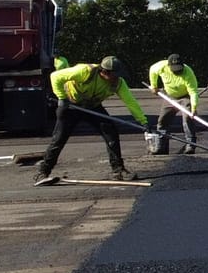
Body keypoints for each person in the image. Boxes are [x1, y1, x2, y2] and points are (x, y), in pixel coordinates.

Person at [35, 56, 148, 185]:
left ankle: (118, 170)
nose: (116, 78)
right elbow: (55, 76)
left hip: (92, 107)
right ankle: (43, 173)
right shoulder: (85, 71)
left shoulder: (119, 83)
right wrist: (62, 97)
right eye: (114, 75)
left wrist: (143, 121)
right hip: (71, 106)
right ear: (104, 72)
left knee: (111, 132)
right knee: (59, 139)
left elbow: (131, 102)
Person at [146, 53, 204, 154]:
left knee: (187, 117)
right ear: (169, 66)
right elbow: (152, 70)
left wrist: (194, 108)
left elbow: (193, 92)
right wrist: (154, 86)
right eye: (174, 69)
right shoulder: (161, 67)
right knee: (162, 121)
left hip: (185, 96)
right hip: (169, 97)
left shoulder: (188, 72)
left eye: (179, 69)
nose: (177, 71)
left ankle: (190, 144)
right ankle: (161, 146)